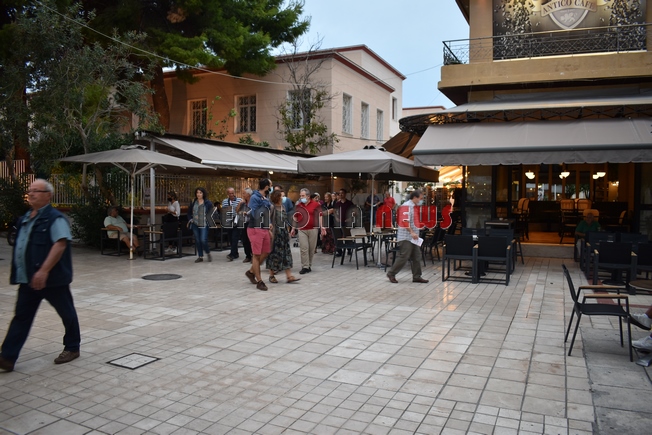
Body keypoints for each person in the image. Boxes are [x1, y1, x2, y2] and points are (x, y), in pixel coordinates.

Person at [0, 179, 81, 372]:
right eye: (30, 190)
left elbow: (60, 244)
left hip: (52, 279)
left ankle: (72, 347)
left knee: (67, 313)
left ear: (48, 195)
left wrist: (44, 270)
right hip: (28, 278)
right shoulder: (26, 218)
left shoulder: (55, 218)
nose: (31, 193)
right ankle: (7, 357)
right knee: (21, 317)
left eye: (36, 190)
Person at [386, 189, 429, 284]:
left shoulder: (414, 207)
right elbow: (405, 221)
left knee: (417, 256)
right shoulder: (406, 206)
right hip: (406, 237)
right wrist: (412, 232)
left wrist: (419, 226)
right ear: (415, 197)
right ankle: (391, 273)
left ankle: (417, 276)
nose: (421, 200)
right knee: (404, 255)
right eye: (420, 198)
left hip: (414, 237)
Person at [266, 190, 301, 284]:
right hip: (276, 235)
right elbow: (267, 220)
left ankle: (289, 276)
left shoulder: (283, 207)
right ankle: (271, 275)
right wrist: (269, 231)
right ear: (277, 197)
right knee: (274, 255)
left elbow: (286, 220)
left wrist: (289, 230)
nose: (283, 198)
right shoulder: (272, 207)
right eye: (281, 196)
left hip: (284, 235)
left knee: (286, 255)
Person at [245, 178, 273, 291]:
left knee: (266, 252)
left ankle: (251, 272)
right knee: (256, 255)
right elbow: (255, 213)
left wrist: (269, 223)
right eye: (271, 185)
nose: (271, 187)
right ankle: (260, 281)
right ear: (266, 187)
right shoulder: (254, 197)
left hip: (264, 228)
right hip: (255, 228)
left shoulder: (265, 197)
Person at [292, 188, 323, 274]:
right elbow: (295, 217)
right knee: (304, 248)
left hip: (313, 229)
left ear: (308, 196)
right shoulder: (299, 205)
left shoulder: (316, 204)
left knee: (311, 249)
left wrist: (322, 227)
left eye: (303, 196)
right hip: (302, 229)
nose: (301, 197)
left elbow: (320, 215)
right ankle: (305, 266)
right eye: (300, 196)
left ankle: (309, 265)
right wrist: (293, 228)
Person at [188, 187, 213, 263]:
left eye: (200, 193)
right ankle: (200, 256)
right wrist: (190, 219)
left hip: (204, 223)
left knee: (203, 239)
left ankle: (208, 252)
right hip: (195, 223)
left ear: (203, 194)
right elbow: (189, 212)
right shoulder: (193, 202)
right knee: (198, 240)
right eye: (197, 192)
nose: (198, 194)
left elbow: (211, 213)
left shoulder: (208, 203)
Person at [222, 187, 242, 261]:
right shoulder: (224, 201)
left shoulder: (239, 200)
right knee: (230, 237)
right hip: (229, 221)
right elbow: (224, 211)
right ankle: (235, 253)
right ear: (227, 194)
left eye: (232, 193)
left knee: (235, 237)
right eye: (230, 193)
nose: (231, 195)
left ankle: (232, 254)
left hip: (237, 220)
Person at [334, 188, 355, 257]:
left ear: (345, 194)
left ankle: (349, 249)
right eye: (339, 193)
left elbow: (354, 212)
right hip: (339, 222)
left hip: (347, 222)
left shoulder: (349, 203)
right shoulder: (337, 203)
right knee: (339, 236)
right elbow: (334, 211)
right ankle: (339, 251)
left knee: (347, 235)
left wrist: (350, 218)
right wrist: (336, 218)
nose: (340, 195)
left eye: (342, 193)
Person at [236, 188, 253, 263]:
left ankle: (253, 256)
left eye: (244, 193)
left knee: (251, 240)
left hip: (251, 223)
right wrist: (239, 204)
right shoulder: (243, 203)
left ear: (248, 194)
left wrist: (247, 213)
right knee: (245, 240)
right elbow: (237, 211)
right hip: (244, 222)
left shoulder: (253, 202)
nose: (243, 195)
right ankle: (248, 256)